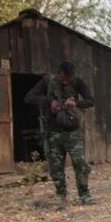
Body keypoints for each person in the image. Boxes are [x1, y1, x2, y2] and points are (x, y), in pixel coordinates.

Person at [24, 61, 95, 208]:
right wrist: (49, 101)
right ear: (58, 73)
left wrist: (75, 103)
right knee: (56, 168)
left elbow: (90, 101)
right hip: (53, 132)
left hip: (73, 131)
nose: (66, 81)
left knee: (80, 164)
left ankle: (85, 195)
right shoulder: (47, 81)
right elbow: (29, 98)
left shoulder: (77, 82)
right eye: (63, 77)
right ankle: (62, 198)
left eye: (69, 78)